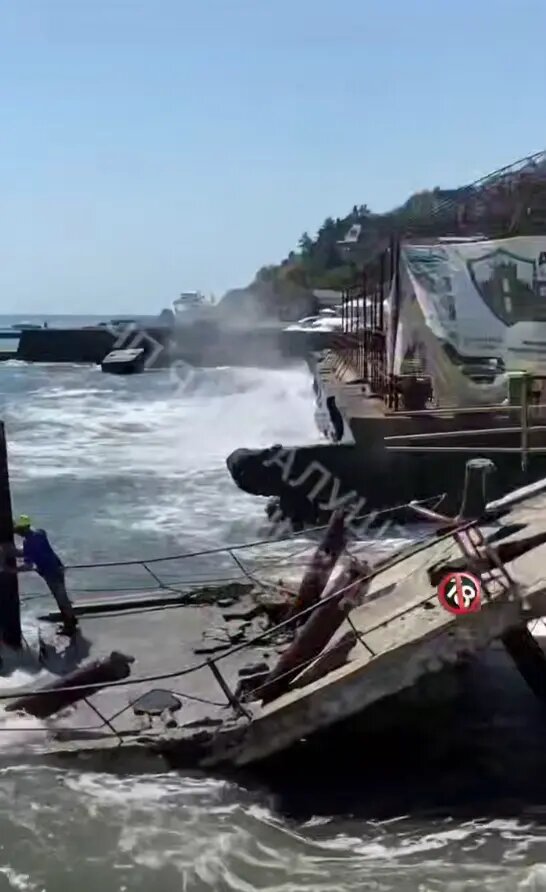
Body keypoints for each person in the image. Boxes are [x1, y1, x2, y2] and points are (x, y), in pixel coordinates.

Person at [13, 515, 78, 635]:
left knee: (61, 599)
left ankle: (69, 627)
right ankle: (72, 621)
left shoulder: (28, 543)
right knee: (63, 597)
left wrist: (14, 570)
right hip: (58, 567)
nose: (18, 534)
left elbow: (28, 564)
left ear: (22, 530)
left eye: (18, 531)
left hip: (50, 573)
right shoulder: (41, 533)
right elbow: (36, 550)